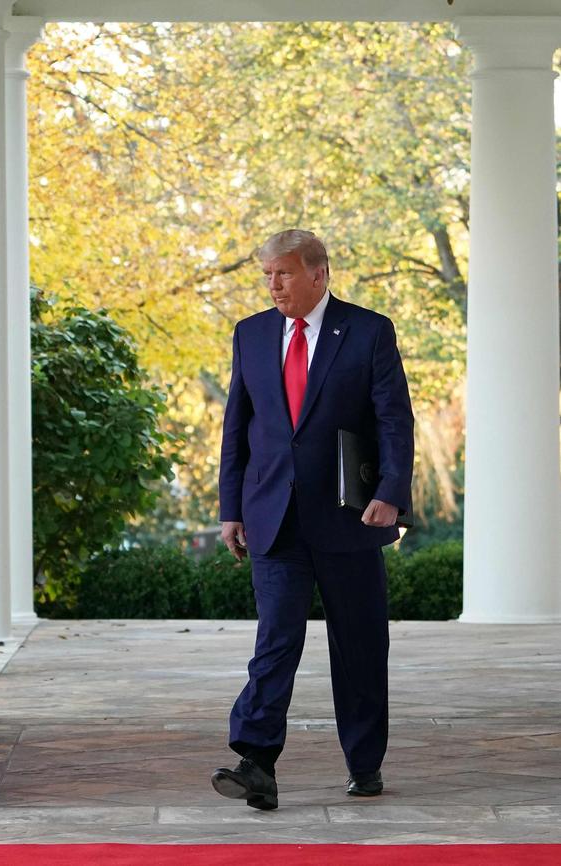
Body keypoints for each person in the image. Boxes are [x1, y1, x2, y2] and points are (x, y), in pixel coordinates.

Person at [211, 229, 414, 811]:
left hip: (352, 517)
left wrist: (393, 495)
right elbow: (237, 426)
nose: (272, 284)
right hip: (272, 515)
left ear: (319, 273)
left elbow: (394, 420)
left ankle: (364, 762)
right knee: (275, 640)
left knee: (359, 647)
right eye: (267, 274)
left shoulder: (369, 331)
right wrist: (231, 508)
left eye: (283, 273)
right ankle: (256, 762)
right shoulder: (249, 334)